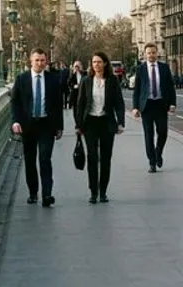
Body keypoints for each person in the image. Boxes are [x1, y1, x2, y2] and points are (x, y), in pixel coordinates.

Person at [10, 48, 64, 207]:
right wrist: (15, 121)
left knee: (45, 159)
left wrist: (59, 126)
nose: (40, 63)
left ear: (46, 62)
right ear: (30, 62)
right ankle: (33, 192)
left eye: (42, 60)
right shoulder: (21, 79)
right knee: (30, 160)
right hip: (28, 125)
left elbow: (57, 105)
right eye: (37, 60)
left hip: (46, 125)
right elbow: (15, 102)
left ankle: (47, 194)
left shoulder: (53, 80)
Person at [74, 51, 125, 203]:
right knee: (92, 157)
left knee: (105, 158)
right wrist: (78, 125)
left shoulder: (112, 81)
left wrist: (121, 122)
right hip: (90, 123)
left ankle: (103, 191)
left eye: (99, 62)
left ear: (105, 64)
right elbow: (80, 104)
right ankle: (93, 191)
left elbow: (119, 102)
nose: (96, 65)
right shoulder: (86, 81)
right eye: (94, 62)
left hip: (107, 122)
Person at [131, 42, 176, 173]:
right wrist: (135, 107)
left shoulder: (164, 67)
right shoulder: (140, 69)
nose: (151, 55)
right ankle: (152, 162)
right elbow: (137, 90)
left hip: (161, 104)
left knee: (163, 132)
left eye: (153, 52)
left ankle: (158, 152)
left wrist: (172, 104)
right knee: (148, 134)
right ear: (145, 55)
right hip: (147, 106)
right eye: (149, 53)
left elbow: (170, 87)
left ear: (157, 53)